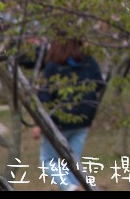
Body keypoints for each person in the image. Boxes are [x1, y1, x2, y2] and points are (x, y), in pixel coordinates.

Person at [31, 38, 105, 191]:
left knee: (48, 160)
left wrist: (39, 124)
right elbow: (99, 84)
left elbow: (45, 97)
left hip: (59, 122)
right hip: (84, 119)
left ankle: (69, 188)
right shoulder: (88, 61)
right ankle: (83, 187)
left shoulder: (53, 67)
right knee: (72, 161)